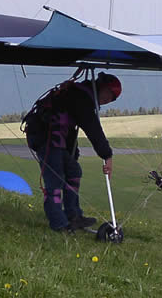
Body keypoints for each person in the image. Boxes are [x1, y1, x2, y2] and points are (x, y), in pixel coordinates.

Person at [22, 72, 122, 232]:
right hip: (47, 139)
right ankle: (59, 224)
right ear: (102, 87)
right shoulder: (81, 97)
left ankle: (73, 215)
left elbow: (69, 127)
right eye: (110, 94)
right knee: (54, 181)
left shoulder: (80, 94)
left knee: (73, 171)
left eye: (113, 98)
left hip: (57, 141)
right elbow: (93, 128)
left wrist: (72, 154)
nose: (109, 100)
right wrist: (106, 155)